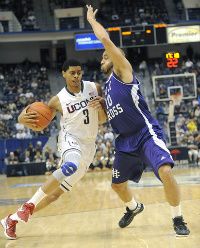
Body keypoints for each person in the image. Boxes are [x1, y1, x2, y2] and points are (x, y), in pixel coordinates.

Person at [86, 5, 190, 236]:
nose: (102, 60)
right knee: (117, 185)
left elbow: (104, 38)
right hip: (125, 141)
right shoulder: (107, 88)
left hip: (145, 133)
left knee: (165, 171)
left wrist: (92, 21)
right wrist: (100, 107)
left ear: (117, 57)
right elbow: (105, 120)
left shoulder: (122, 70)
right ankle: (134, 208)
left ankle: (178, 218)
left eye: (106, 56)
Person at [1, 60, 107, 240]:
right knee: (70, 165)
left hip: (89, 146)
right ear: (64, 74)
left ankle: (12, 219)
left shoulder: (94, 88)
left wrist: (101, 106)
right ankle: (27, 208)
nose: (76, 76)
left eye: (79, 72)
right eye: (72, 73)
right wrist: (20, 118)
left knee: (54, 196)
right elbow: (35, 118)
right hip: (69, 139)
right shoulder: (57, 100)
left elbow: (102, 120)